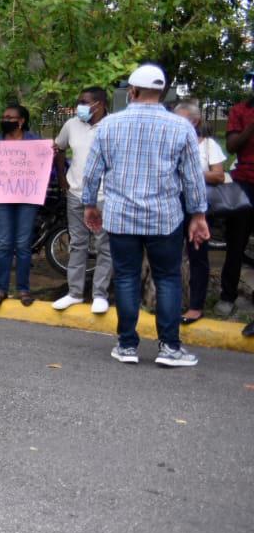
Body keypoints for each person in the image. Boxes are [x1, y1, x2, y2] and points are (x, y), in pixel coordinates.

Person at [82, 64, 208, 367]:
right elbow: (192, 178)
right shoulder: (181, 128)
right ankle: (170, 348)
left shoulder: (110, 125)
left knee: (125, 278)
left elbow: (92, 172)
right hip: (164, 218)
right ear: (162, 92)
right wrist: (198, 214)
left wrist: (89, 205)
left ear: (133, 92)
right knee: (167, 279)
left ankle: (127, 345)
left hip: (121, 216)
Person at [52, 87, 114, 314]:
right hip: (76, 194)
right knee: (77, 244)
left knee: (104, 245)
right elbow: (58, 149)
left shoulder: (113, 125)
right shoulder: (71, 125)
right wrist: (61, 177)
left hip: (104, 196)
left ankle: (100, 294)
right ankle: (74, 293)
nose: (79, 106)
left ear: (99, 104)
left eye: (83, 102)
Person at [174, 101, 228, 323]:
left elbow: (218, 176)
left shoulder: (208, 145)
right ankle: (168, 301)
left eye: (181, 118)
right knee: (169, 255)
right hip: (170, 204)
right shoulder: (170, 142)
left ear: (194, 121)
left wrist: (190, 172)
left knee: (197, 255)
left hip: (195, 205)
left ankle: (196, 305)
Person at [0, 104, 44, 308]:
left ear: (21, 121)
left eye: (10, 117)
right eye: (4, 116)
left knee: (22, 244)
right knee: (4, 244)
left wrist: (51, 152)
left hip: (27, 198)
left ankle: (23, 288)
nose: (5, 119)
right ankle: (1, 288)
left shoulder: (35, 141)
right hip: (2, 198)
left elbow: (44, 163)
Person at [216, 91, 254, 317]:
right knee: (236, 244)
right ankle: (227, 296)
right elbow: (231, 146)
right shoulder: (240, 110)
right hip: (245, 185)